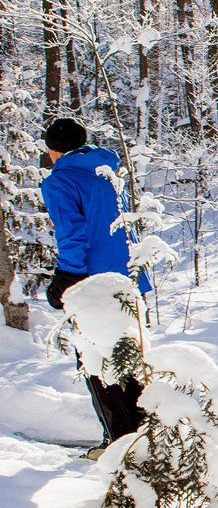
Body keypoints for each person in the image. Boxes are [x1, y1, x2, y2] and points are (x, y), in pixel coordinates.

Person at [40, 117, 148, 458]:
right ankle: (143, 437)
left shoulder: (61, 180)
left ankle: (119, 445)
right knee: (130, 359)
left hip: (93, 283)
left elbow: (72, 234)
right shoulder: (106, 170)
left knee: (96, 360)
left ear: (54, 151)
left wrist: (66, 278)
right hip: (129, 277)